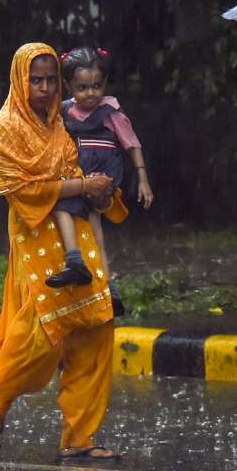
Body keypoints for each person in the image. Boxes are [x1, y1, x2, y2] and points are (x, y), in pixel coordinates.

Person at [0, 41, 125, 461]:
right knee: (44, 334)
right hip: (34, 233)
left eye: (49, 79)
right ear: (20, 81)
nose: (43, 87)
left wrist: (100, 188)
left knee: (96, 328)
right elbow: (19, 189)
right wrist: (81, 186)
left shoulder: (61, 120)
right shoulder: (4, 128)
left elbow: (80, 164)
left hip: (76, 231)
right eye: (34, 80)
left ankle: (81, 436)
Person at [45, 47, 152, 315]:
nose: (90, 93)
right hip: (79, 172)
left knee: (62, 206)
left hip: (103, 175)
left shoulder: (111, 113)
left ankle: (74, 261)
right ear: (68, 86)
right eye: (82, 87)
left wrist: (142, 178)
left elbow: (132, 144)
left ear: (104, 84)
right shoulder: (63, 111)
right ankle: (110, 288)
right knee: (96, 233)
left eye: (96, 86)